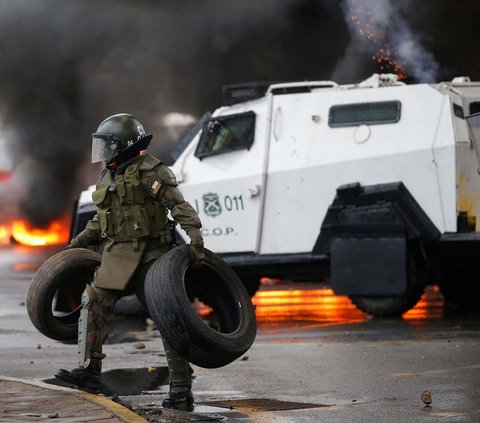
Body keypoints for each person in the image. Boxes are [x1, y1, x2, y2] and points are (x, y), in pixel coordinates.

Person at [55, 113, 204, 411]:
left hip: (151, 256)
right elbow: (102, 218)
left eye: (107, 144)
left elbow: (179, 206)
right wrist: (77, 244)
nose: (102, 151)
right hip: (117, 254)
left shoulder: (152, 172)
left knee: (167, 317)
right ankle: (88, 373)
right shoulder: (109, 173)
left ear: (122, 145)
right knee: (93, 302)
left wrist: (195, 239)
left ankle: (181, 388)